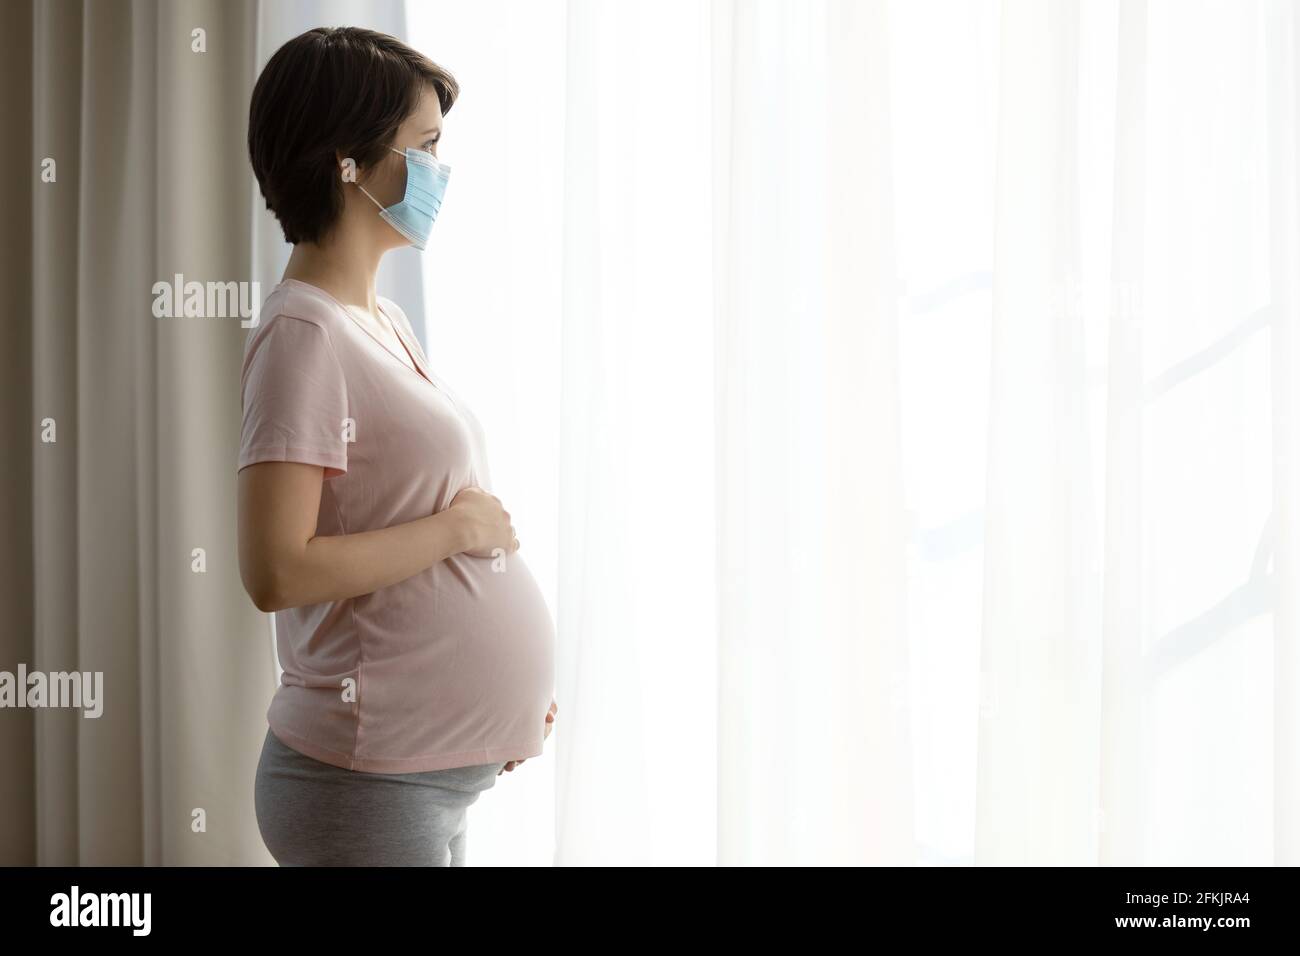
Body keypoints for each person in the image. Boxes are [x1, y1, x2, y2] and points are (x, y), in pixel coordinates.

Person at [239, 26, 557, 866]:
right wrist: (459, 534)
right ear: (348, 159)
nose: (438, 174)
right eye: (424, 148)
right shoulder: (302, 334)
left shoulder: (382, 321)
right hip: (363, 781)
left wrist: (490, 711)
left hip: (422, 772)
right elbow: (277, 569)